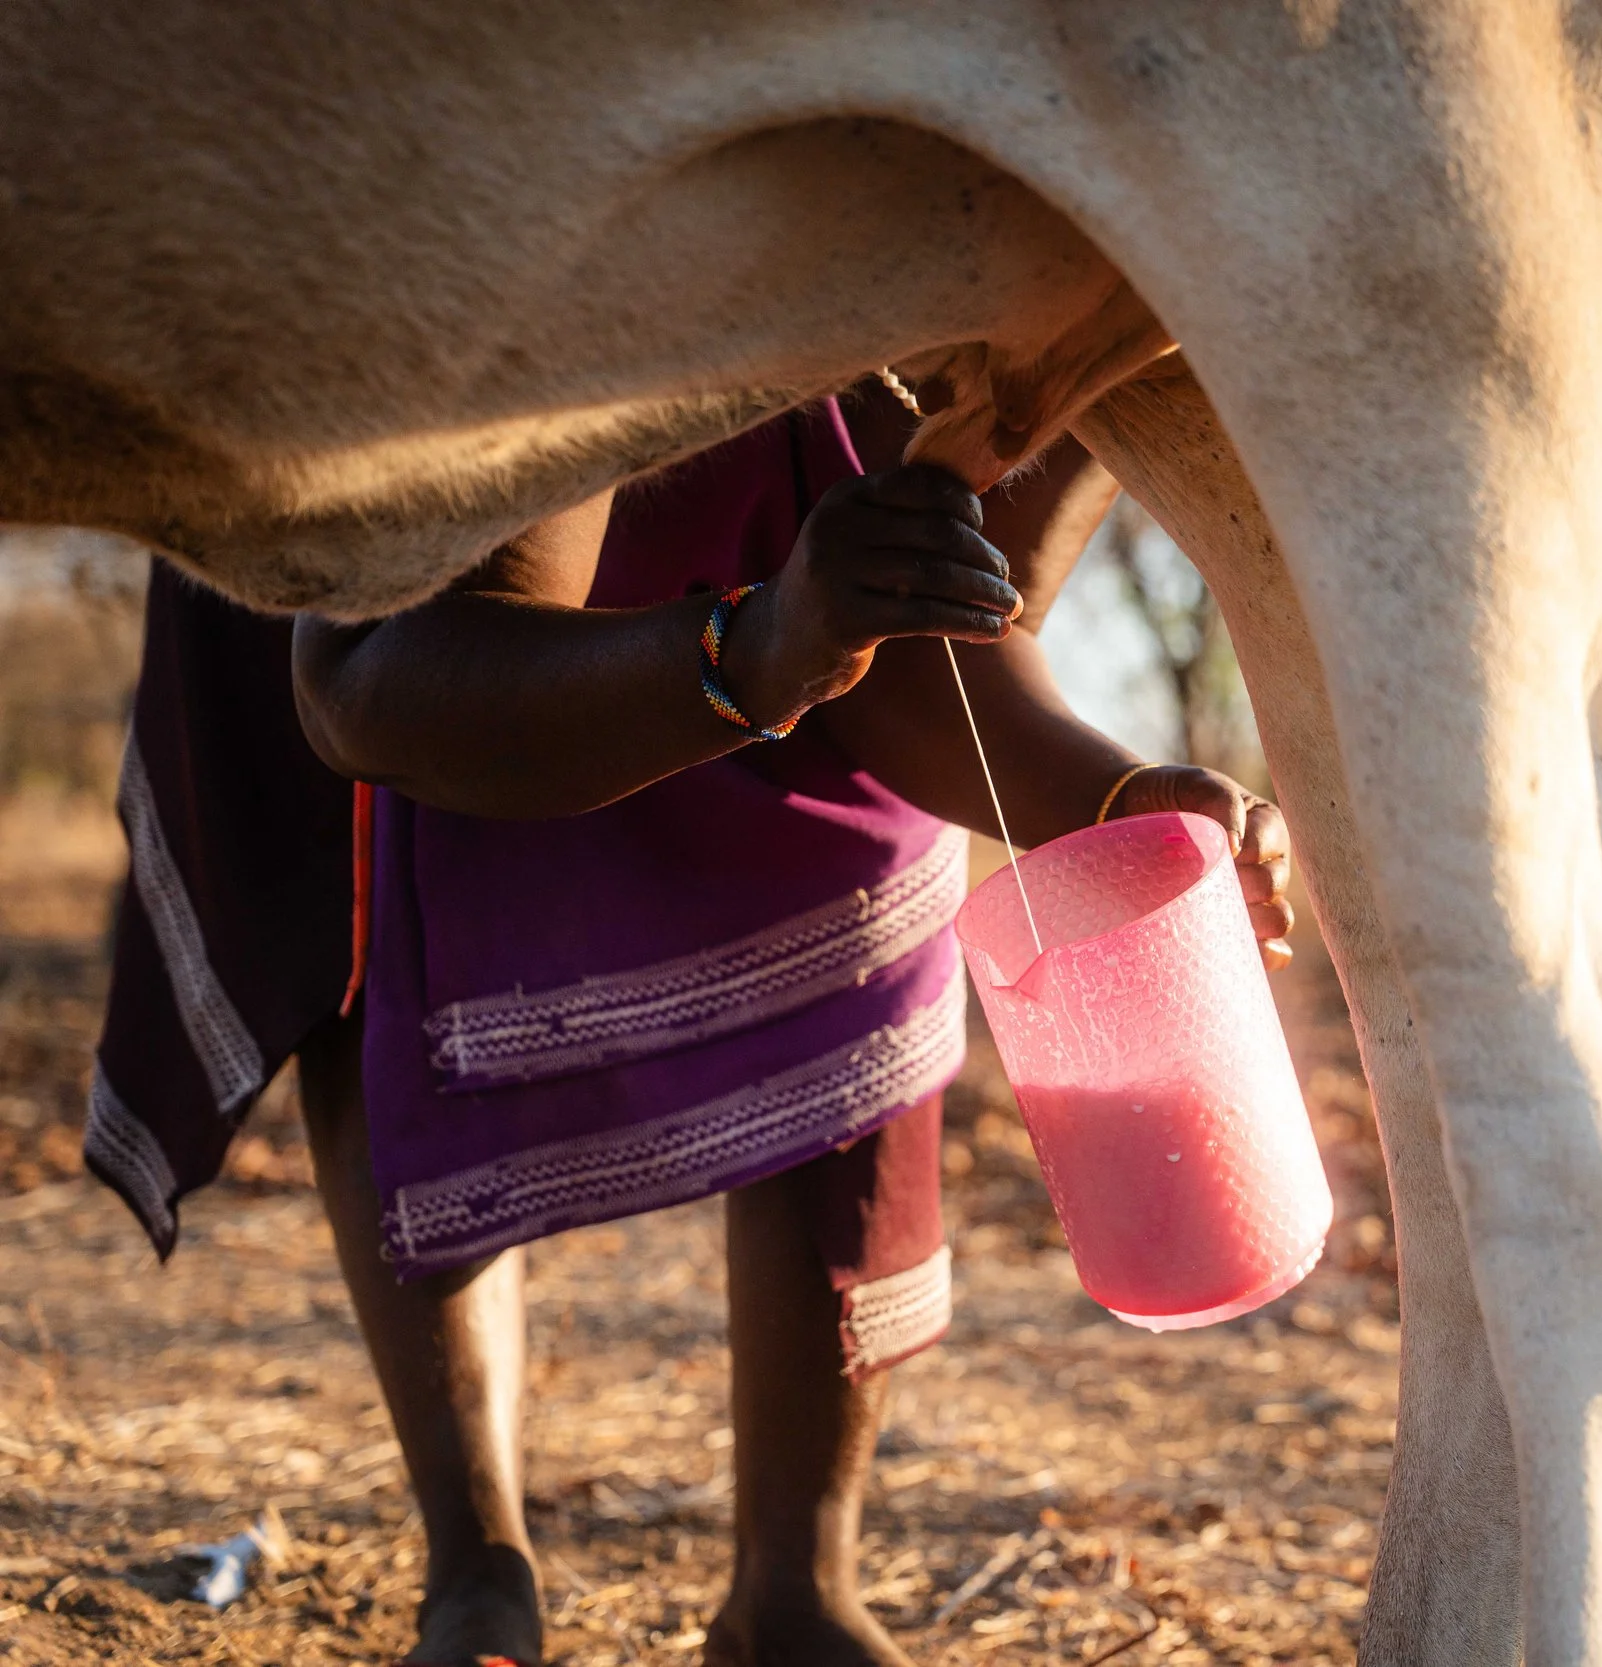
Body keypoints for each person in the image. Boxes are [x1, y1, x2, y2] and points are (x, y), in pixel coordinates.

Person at [88, 386, 1292, 1667]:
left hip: (757, 505)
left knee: (863, 880)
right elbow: (373, 691)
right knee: (399, 927)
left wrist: (1110, 799)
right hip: (432, 580)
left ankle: (796, 1583)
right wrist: (765, 644)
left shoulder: (1109, 338)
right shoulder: (547, 335)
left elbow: (932, 647)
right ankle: (475, 1566)